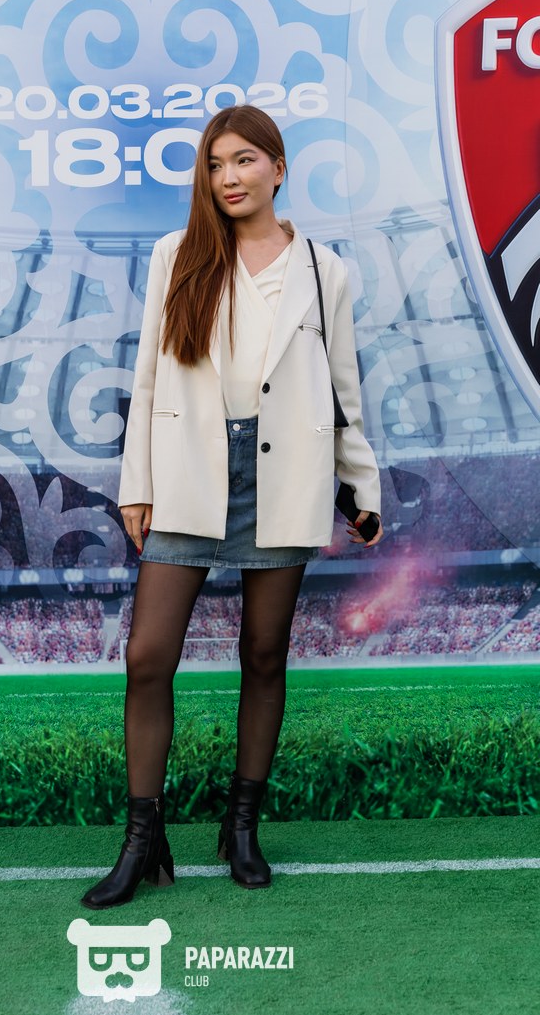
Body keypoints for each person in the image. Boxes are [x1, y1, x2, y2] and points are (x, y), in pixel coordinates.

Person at [80, 105, 382, 910]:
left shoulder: (324, 269)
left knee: (264, 652)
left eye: (244, 160)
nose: (228, 178)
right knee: (147, 656)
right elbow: (149, 374)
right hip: (189, 467)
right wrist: (137, 483)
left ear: (279, 168)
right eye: (215, 165)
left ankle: (240, 828)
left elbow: (343, 391)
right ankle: (143, 841)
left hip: (285, 474)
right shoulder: (177, 254)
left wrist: (363, 489)